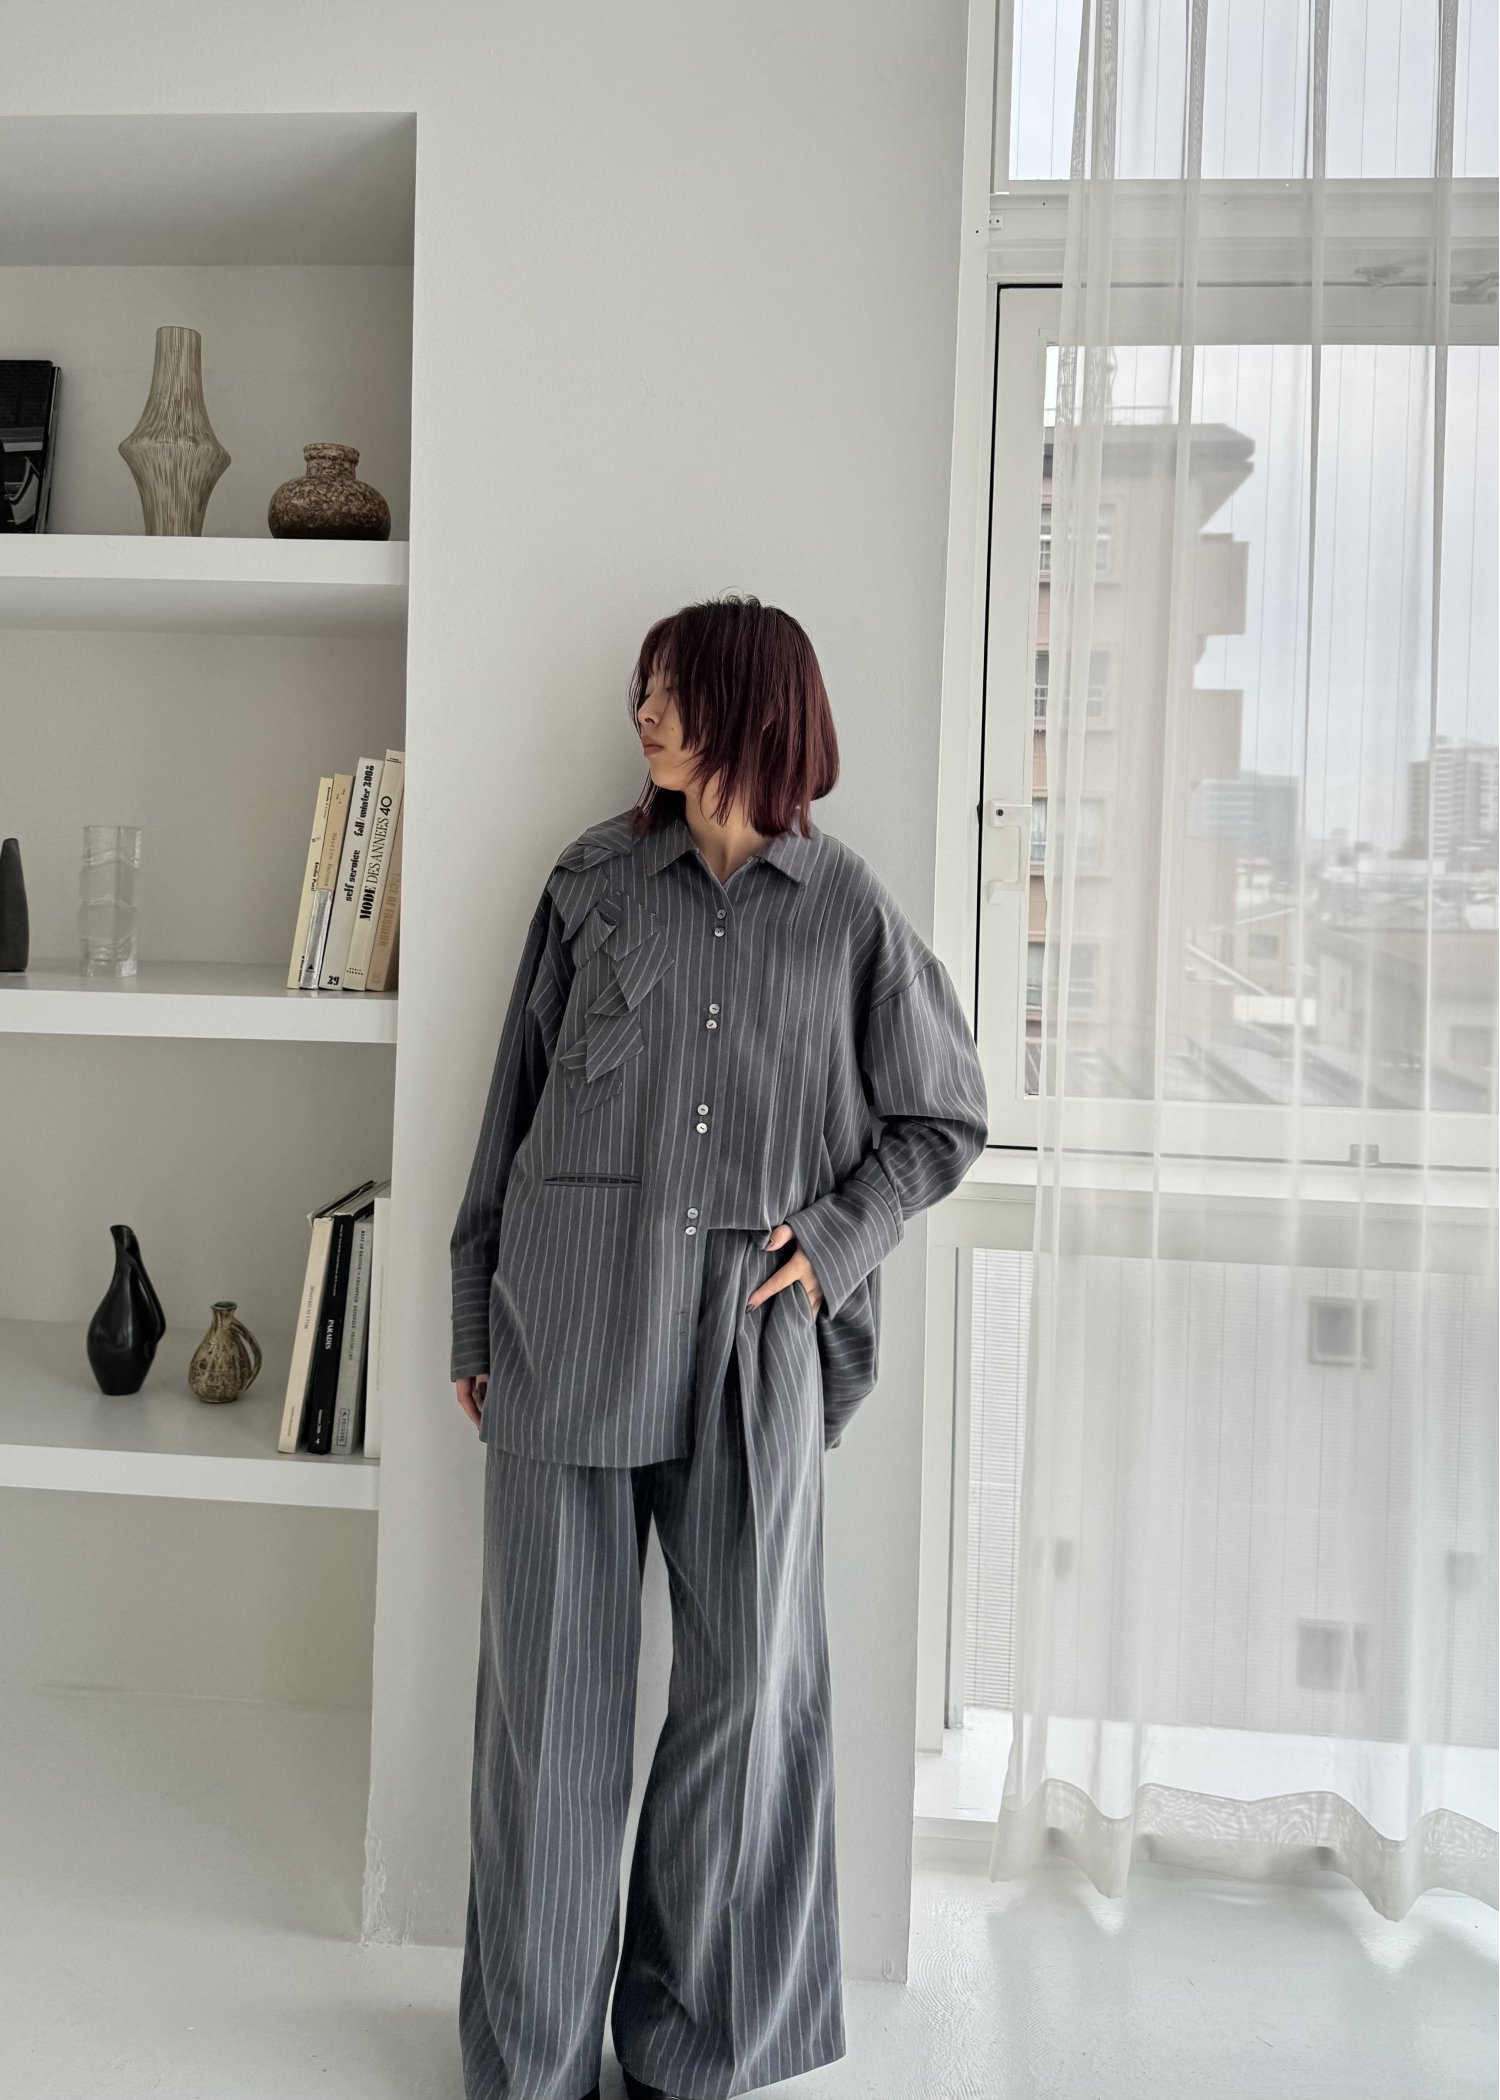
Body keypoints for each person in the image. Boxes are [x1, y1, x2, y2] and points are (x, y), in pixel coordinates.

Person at [450, 593, 989, 2100]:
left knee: (748, 1702)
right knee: (551, 1715)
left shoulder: (850, 911)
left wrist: (836, 1236)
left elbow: (944, 1117)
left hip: (753, 1348)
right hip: (569, 1323)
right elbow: (512, 1107)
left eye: (672, 691)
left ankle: (688, 2051)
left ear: (757, 707)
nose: (643, 715)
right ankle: (535, 2064)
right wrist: (473, 1303)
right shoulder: (591, 883)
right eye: (643, 689)